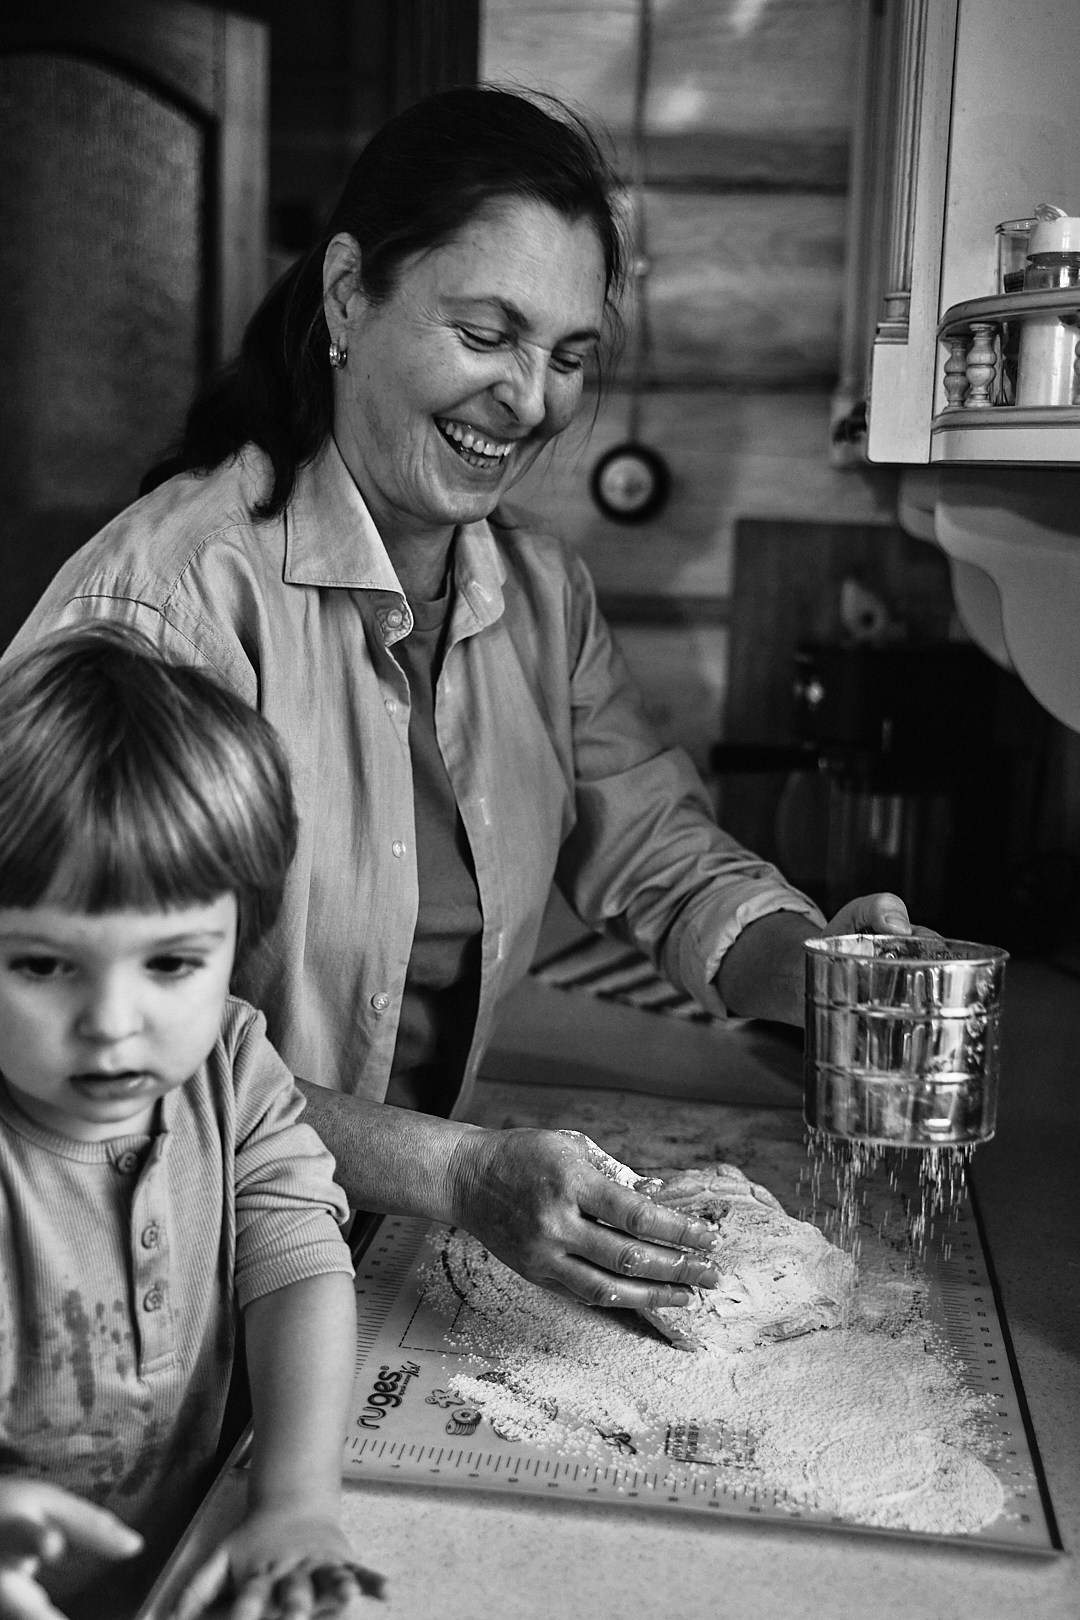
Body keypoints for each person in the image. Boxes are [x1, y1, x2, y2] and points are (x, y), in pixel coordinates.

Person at [8, 84, 917, 1314]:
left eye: (570, 357)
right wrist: (457, 1172)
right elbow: (93, 1040)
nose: (532, 399)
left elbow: (661, 855)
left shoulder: (539, 598)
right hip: (148, 1284)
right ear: (347, 294)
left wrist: (835, 976)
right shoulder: (167, 610)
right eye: (487, 336)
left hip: (367, 1260)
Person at [0, 626, 379, 1620]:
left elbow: (296, 1266)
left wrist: (295, 1503)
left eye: (170, 964)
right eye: (44, 964)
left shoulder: (233, 1070)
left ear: (236, 947)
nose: (114, 1024)